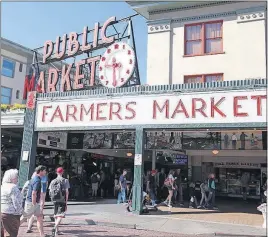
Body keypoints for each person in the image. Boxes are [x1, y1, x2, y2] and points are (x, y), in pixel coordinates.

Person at [20, 165, 47, 237]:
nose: (45, 172)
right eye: (44, 171)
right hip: (32, 203)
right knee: (24, 217)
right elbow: (33, 193)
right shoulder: (37, 180)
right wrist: (34, 203)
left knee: (40, 216)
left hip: (34, 202)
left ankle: (42, 234)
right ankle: (10, 229)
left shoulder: (34, 178)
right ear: (40, 171)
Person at [1, 169, 23, 237]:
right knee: (12, 233)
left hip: (2, 212)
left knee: (3, 232)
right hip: (12, 214)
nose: (17, 179)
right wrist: (20, 212)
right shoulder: (13, 187)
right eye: (16, 177)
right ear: (12, 178)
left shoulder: (3, 186)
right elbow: (16, 202)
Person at [49, 167, 70, 237]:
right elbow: (67, 192)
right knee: (61, 215)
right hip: (62, 199)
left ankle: (57, 231)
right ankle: (55, 228)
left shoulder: (53, 181)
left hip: (54, 199)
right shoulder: (65, 180)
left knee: (55, 215)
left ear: (57, 172)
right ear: (62, 172)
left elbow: (50, 191)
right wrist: (66, 202)